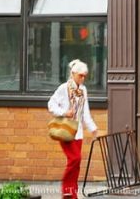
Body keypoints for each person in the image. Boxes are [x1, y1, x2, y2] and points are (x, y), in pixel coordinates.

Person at [48, 60, 99, 199]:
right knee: (75, 159)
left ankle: (71, 194)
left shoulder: (83, 90)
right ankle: (67, 191)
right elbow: (51, 104)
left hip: (78, 132)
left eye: (84, 76)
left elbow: (85, 111)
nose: (82, 78)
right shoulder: (63, 88)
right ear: (73, 74)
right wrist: (64, 112)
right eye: (80, 75)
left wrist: (93, 128)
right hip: (66, 131)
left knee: (76, 164)